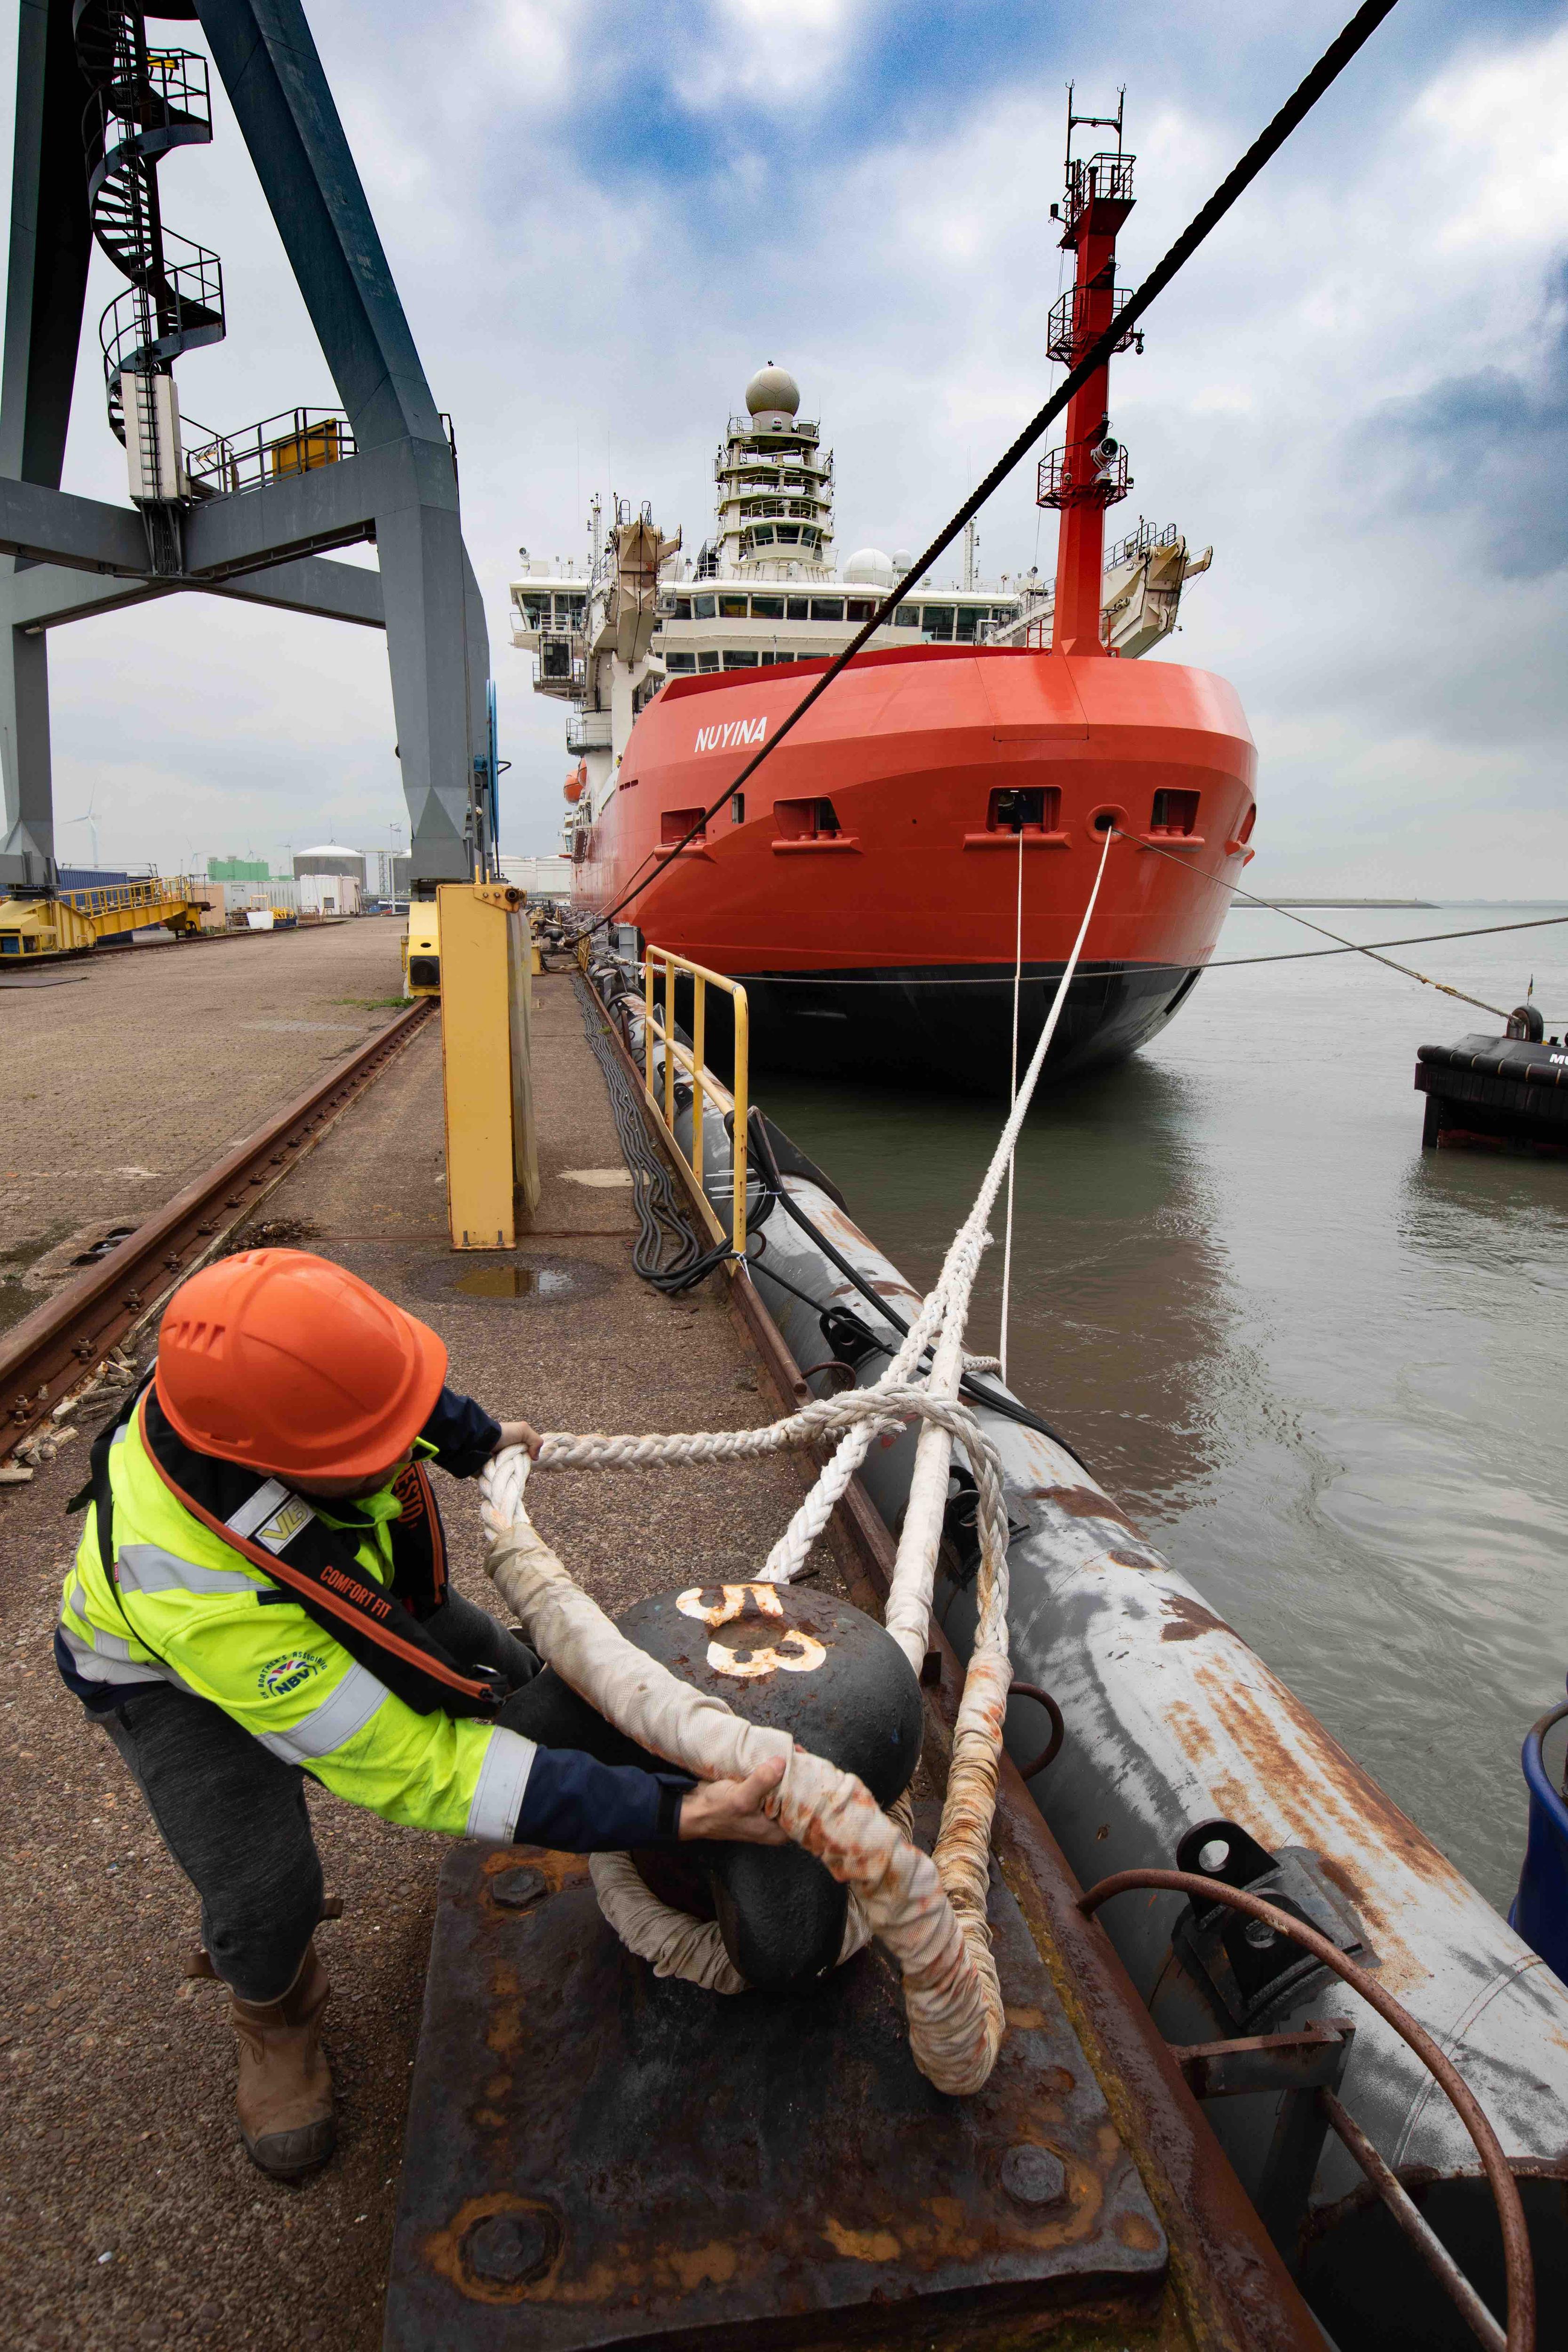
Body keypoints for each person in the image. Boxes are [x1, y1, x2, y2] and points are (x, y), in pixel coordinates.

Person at [55, 1248, 784, 2180]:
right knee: (262, 1885)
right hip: (173, 1683)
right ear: (281, 1464)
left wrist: (477, 1437)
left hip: (329, 1578)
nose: (404, 1457)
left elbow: (380, 1393)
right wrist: (678, 1814)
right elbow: (421, 1766)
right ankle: (273, 2013)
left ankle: (619, 1810)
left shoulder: (246, 1371)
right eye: (376, 1454)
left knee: (528, 1687)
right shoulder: (193, 1586)